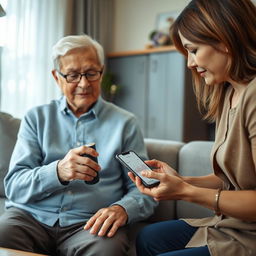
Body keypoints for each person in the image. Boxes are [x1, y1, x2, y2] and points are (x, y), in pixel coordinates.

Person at [0, 34, 157, 256]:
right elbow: (14, 186)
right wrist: (58, 172)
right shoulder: (36, 119)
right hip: (30, 219)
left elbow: (146, 186)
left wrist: (122, 208)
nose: (83, 84)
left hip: (90, 224)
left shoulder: (125, 124)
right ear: (57, 77)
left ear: (101, 72)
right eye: (73, 75)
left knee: (107, 250)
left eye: (91, 73)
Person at [128, 0, 256, 255]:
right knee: (149, 238)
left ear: (225, 40)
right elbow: (231, 181)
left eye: (194, 49)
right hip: (233, 224)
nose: (189, 63)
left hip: (249, 235)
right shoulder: (229, 92)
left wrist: (186, 192)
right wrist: (181, 181)